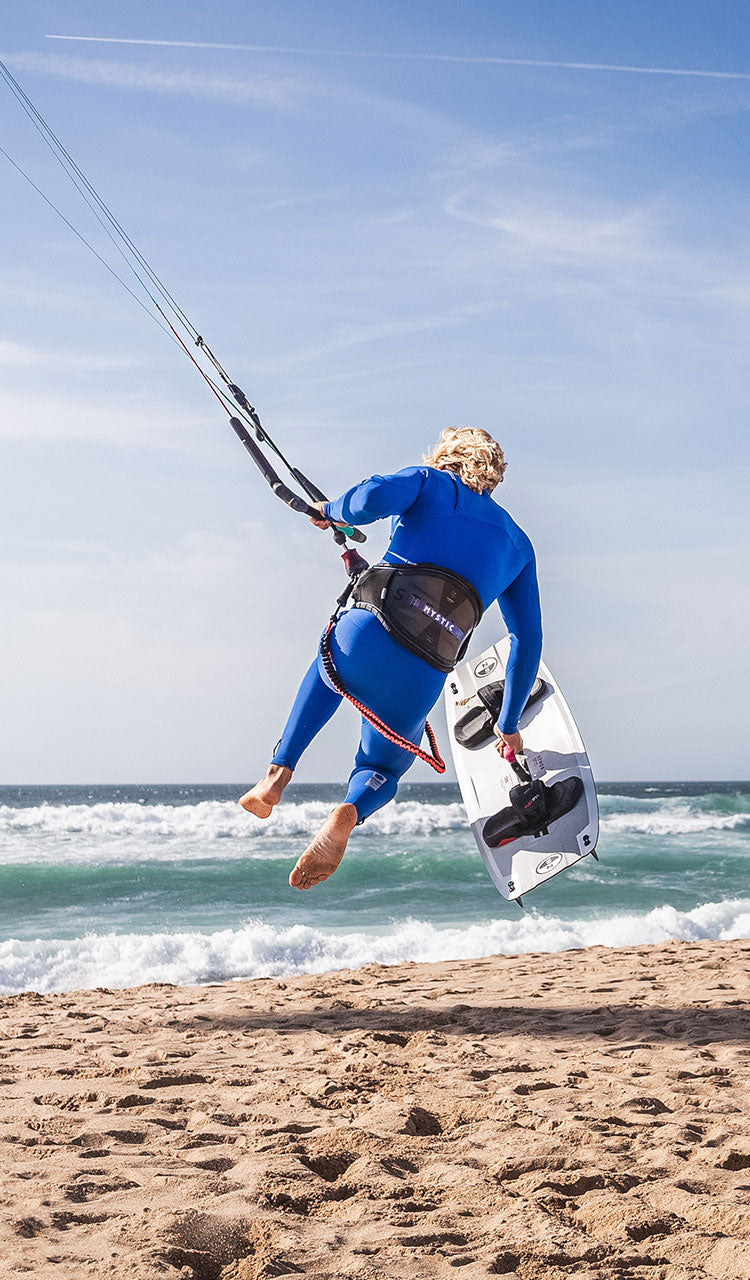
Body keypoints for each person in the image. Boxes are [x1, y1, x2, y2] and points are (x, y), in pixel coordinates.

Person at [239, 427, 543, 890]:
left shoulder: (431, 481)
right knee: (382, 768)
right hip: (422, 674)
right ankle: (350, 810)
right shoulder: (518, 545)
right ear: (494, 477)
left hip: (366, 636)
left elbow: (369, 498)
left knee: (329, 669)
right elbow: (528, 639)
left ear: (445, 457)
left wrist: (330, 510)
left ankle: (276, 775)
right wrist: (508, 724)